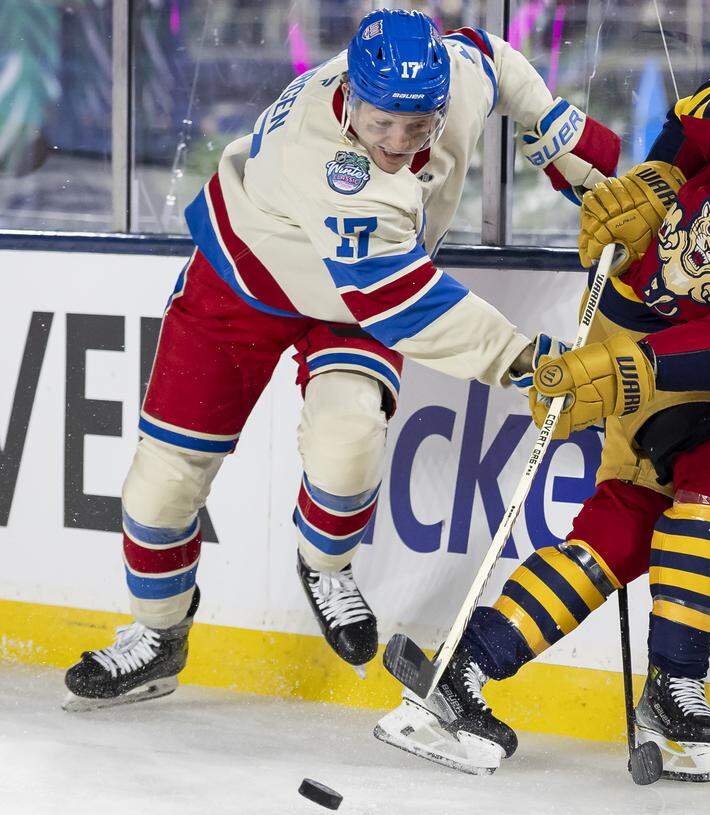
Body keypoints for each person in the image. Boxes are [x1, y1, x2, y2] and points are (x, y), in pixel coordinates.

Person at [376, 59, 710, 779]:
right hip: (628, 315)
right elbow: (692, 121)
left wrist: (631, 376)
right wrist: (658, 180)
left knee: (630, 518)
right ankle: (669, 685)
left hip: (706, 369)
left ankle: (473, 666)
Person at [61, 9, 618, 712]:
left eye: (417, 127)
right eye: (381, 122)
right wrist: (531, 361)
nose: (395, 142)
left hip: (357, 295)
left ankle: (324, 565)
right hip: (245, 278)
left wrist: (561, 137)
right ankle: (159, 634)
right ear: (350, 95)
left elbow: (490, 56)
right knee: (160, 487)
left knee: (348, 446)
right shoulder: (331, 167)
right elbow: (406, 304)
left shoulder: (454, 80)